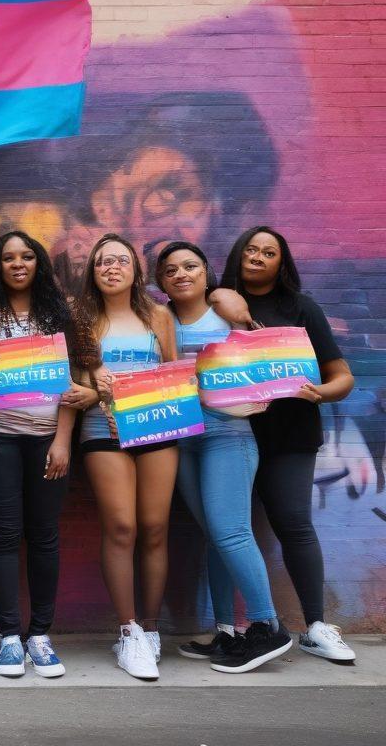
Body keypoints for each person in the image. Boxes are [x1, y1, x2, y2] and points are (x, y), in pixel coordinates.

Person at [219, 226, 357, 662]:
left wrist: (320, 392)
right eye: (252, 249)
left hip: (290, 434)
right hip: (228, 435)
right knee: (223, 531)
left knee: (294, 525)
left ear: (282, 263)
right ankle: (228, 630)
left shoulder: (302, 308)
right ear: (238, 254)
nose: (258, 256)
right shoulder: (214, 305)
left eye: (270, 252)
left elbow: (343, 376)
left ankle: (315, 626)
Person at [156, 241, 294, 674]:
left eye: (190, 266)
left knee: (231, 531)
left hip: (227, 434)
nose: (181, 274)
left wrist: (263, 391)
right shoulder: (158, 319)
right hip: (181, 436)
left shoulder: (227, 311)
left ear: (206, 272)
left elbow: (265, 362)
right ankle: (228, 633)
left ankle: (267, 626)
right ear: (160, 281)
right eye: (170, 269)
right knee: (215, 533)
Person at [0, 231, 98, 678]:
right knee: (3, 534)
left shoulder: (59, 313)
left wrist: (63, 440)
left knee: (44, 535)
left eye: (27, 256)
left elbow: (73, 381)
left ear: (39, 264)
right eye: (8, 258)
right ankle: (8, 637)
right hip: (0, 439)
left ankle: (40, 635)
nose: (18, 264)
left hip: (48, 439)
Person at [75, 233, 178, 681]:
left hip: (158, 426)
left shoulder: (159, 316)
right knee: (122, 526)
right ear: (92, 273)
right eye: (102, 262)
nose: (111, 268)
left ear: (136, 270)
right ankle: (128, 630)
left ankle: (151, 628)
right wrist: (91, 392)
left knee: (155, 528)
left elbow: (175, 373)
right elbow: (74, 387)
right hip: (103, 429)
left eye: (120, 261)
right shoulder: (80, 319)